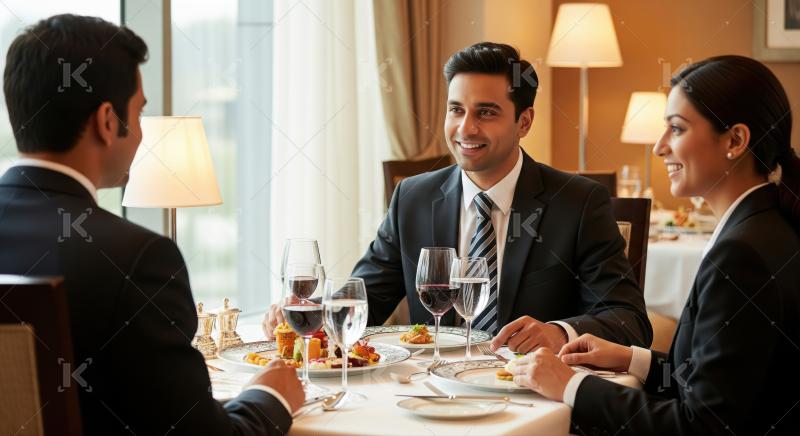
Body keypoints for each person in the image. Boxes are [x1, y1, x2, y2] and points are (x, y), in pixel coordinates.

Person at [0, 15, 303, 435]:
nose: (140, 131)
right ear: (108, 122)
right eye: (139, 113)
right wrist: (272, 395)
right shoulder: (136, 259)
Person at [265, 42, 653, 353]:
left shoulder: (579, 203)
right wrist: (308, 312)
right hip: (426, 394)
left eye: (486, 112)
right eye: (456, 110)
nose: (465, 128)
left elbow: (629, 319)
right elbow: (367, 299)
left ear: (524, 121)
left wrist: (559, 331)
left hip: (531, 398)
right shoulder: (412, 198)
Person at [511, 55, 800, 435]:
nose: (659, 147)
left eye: (676, 129)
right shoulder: (767, 228)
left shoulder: (741, 255)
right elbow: (725, 385)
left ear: (735, 140)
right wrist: (632, 359)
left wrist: (570, 385)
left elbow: (701, 425)